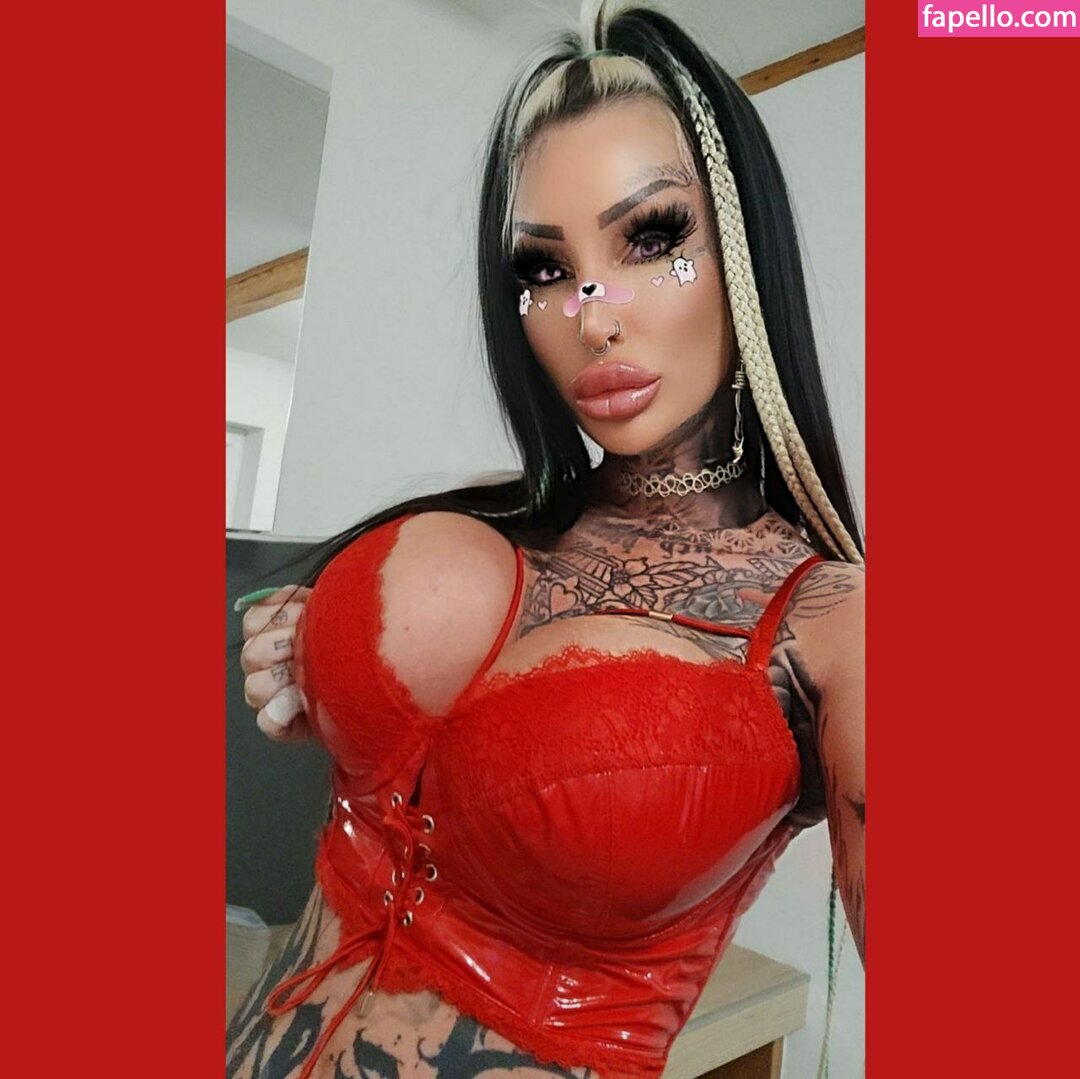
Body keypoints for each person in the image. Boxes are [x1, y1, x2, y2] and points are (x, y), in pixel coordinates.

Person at [227, 5, 865, 1078]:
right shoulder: (496, 517)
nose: (592, 315)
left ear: (745, 250)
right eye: (543, 267)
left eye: (651, 239)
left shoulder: (834, 625)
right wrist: (315, 668)